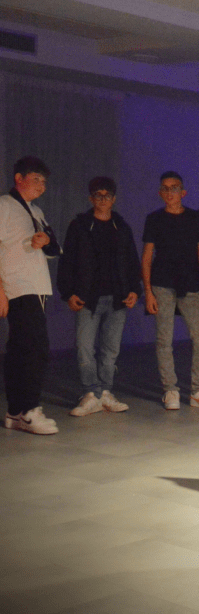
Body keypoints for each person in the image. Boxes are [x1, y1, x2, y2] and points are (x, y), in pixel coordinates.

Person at [56, 176, 141, 416]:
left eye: (107, 196)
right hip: (88, 297)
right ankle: (90, 393)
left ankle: (105, 392)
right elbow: (67, 261)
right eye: (98, 195)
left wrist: (135, 290)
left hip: (118, 297)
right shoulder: (80, 226)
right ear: (91, 198)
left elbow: (132, 261)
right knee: (84, 347)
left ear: (113, 199)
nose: (102, 200)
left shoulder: (121, 227)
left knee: (110, 350)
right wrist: (68, 293)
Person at [142, 171, 199, 411]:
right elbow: (147, 257)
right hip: (162, 283)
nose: (170, 192)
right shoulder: (155, 219)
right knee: (164, 339)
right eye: (165, 188)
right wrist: (148, 291)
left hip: (191, 284)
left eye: (174, 188)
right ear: (160, 193)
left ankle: (198, 391)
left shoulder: (194, 218)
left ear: (183, 192)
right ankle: (170, 390)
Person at [0, 156, 61, 434]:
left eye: (44, 181)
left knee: (20, 349)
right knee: (35, 348)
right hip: (18, 287)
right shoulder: (4, 205)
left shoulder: (36, 210)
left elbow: (53, 248)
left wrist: (44, 240)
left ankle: (15, 412)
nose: (41, 186)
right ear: (19, 178)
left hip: (36, 287)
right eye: (36, 179)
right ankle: (29, 410)